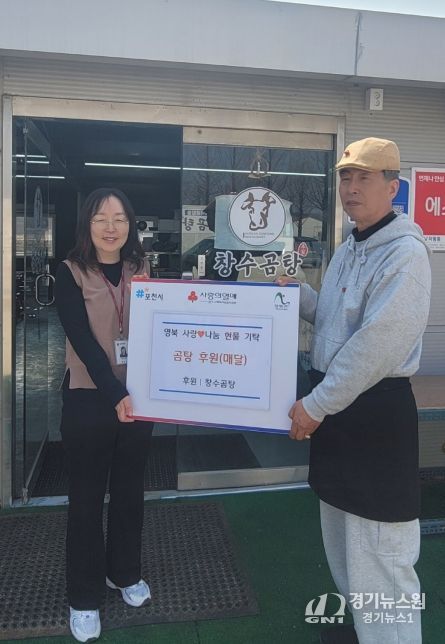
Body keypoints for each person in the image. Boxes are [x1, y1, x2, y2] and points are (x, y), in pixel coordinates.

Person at [280, 138, 431, 644]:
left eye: (364, 177)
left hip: (374, 415)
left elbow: (375, 345)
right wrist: (297, 296)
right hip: (338, 414)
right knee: (344, 546)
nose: (351, 187)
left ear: (393, 186)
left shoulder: (405, 254)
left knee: (382, 561)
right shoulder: (351, 246)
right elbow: (334, 320)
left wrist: (316, 405)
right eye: (345, 177)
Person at [55, 188, 153, 642]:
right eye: (101, 219)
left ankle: (124, 573)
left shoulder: (141, 268)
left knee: (130, 492)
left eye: (119, 218)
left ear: (130, 224)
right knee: (87, 500)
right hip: (89, 399)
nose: (111, 228)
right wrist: (116, 393)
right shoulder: (70, 272)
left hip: (139, 399)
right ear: (87, 226)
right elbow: (83, 341)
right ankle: (84, 597)